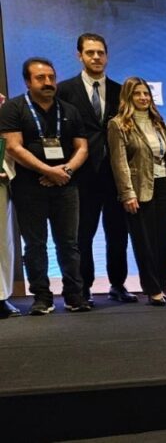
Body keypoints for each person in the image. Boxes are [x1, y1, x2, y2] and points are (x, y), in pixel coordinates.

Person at [0, 58, 90, 315]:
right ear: (27, 81)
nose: (48, 82)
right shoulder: (13, 108)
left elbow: (82, 147)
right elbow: (13, 147)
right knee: (35, 245)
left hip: (66, 186)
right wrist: (47, 170)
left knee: (69, 243)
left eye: (51, 77)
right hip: (29, 187)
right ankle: (41, 297)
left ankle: (74, 295)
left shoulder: (69, 110)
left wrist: (66, 171)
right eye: (41, 78)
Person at [56, 33, 133, 304]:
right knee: (82, 235)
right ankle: (84, 287)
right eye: (90, 53)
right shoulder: (64, 91)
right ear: (79, 56)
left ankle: (118, 284)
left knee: (118, 234)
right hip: (81, 175)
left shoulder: (120, 91)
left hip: (115, 176)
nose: (96, 57)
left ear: (107, 56)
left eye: (101, 52)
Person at [108, 77, 166, 306]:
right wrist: (127, 193)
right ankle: (152, 289)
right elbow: (119, 163)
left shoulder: (159, 122)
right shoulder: (118, 124)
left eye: (146, 93)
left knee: (164, 241)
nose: (143, 97)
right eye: (137, 93)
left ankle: (161, 286)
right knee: (144, 243)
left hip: (164, 187)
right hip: (139, 190)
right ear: (128, 97)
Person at [0, 93, 20, 318]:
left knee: (1, 241)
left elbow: (9, 144)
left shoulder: (3, 106)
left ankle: (0, 297)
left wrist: (6, 170)